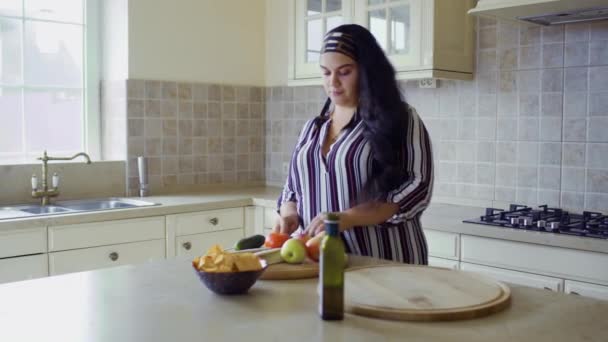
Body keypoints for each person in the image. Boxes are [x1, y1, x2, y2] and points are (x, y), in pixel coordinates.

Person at [274, 24, 434, 264]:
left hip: (384, 261)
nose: (333, 82)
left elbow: (417, 187)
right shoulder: (312, 128)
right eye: (326, 72)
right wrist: (288, 213)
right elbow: (292, 188)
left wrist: (349, 217)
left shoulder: (402, 118)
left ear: (367, 72)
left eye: (344, 71)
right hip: (319, 262)